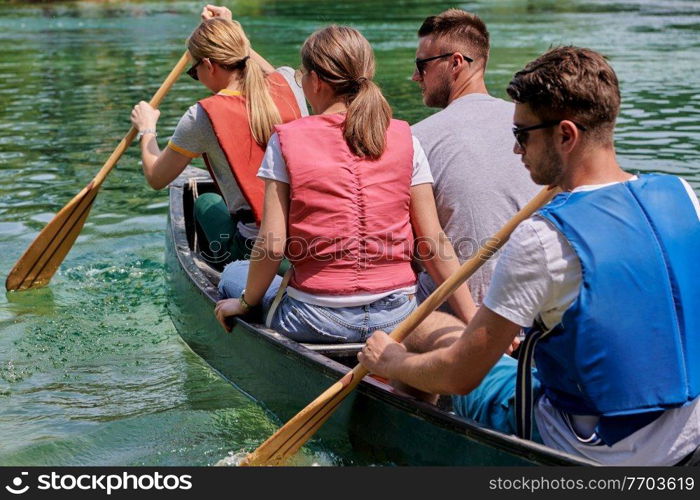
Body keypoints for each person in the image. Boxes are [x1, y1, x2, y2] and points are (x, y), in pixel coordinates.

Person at [359, 46, 700, 465]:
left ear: (565, 136)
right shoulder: (682, 195)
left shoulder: (543, 236)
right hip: (686, 439)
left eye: (522, 135)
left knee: (423, 325)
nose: (516, 150)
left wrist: (392, 361)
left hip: (585, 448)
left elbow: (461, 375)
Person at [213, 26, 475, 343]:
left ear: (317, 81)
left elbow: (270, 245)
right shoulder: (406, 136)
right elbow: (434, 242)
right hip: (398, 317)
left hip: (315, 318)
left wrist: (244, 303)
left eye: (301, 76)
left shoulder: (285, 140)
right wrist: (473, 320)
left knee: (233, 273)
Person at [130, 5, 306, 265]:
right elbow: (264, 70)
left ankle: (227, 268)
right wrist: (231, 30)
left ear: (210, 66)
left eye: (194, 71)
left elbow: (156, 177)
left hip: (257, 249)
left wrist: (147, 129)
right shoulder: (290, 82)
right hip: (308, 234)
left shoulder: (202, 117)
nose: (197, 77)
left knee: (206, 203)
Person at [410, 9, 539, 309]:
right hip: (532, 308)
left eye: (421, 65)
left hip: (458, 316)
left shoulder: (416, 139)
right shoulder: (534, 127)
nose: (415, 76)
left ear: (456, 63)